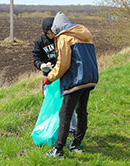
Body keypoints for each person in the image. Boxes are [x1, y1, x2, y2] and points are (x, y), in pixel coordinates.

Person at [43, 12, 99, 160]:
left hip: (75, 80)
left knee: (65, 114)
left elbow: (63, 64)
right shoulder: (84, 35)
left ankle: (58, 150)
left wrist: (50, 77)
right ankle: (76, 144)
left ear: (57, 28)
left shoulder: (64, 37)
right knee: (82, 112)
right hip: (89, 78)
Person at [32, 16, 77, 136]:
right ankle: (49, 128)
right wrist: (41, 65)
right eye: (48, 33)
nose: (51, 35)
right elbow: (36, 58)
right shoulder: (39, 42)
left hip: (63, 76)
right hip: (49, 78)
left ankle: (72, 129)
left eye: (52, 32)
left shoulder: (61, 39)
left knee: (67, 102)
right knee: (49, 103)